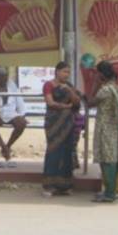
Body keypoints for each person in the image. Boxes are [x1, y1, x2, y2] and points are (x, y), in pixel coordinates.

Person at [84, 61, 118, 203]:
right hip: (116, 128)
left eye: (98, 73)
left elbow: (90, 102)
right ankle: (113, 191)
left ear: (102, 74)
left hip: (105, 128)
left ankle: (109, 193)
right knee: (114, 159)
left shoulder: (105, 90)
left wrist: (94, 84)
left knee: (107, 160)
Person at [41, 62, 82, 197]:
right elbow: (50, 102)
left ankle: (64, 186)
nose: (66, 74)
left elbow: (77, 103)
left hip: (67, 124)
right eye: (64, 71)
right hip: (53, 123)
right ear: (57, 71)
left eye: (68, 72)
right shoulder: (49, 85)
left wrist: (69, 91)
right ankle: (49, 186)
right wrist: (66, 107)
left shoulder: (69, 86)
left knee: (66, 152)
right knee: (53, 151)